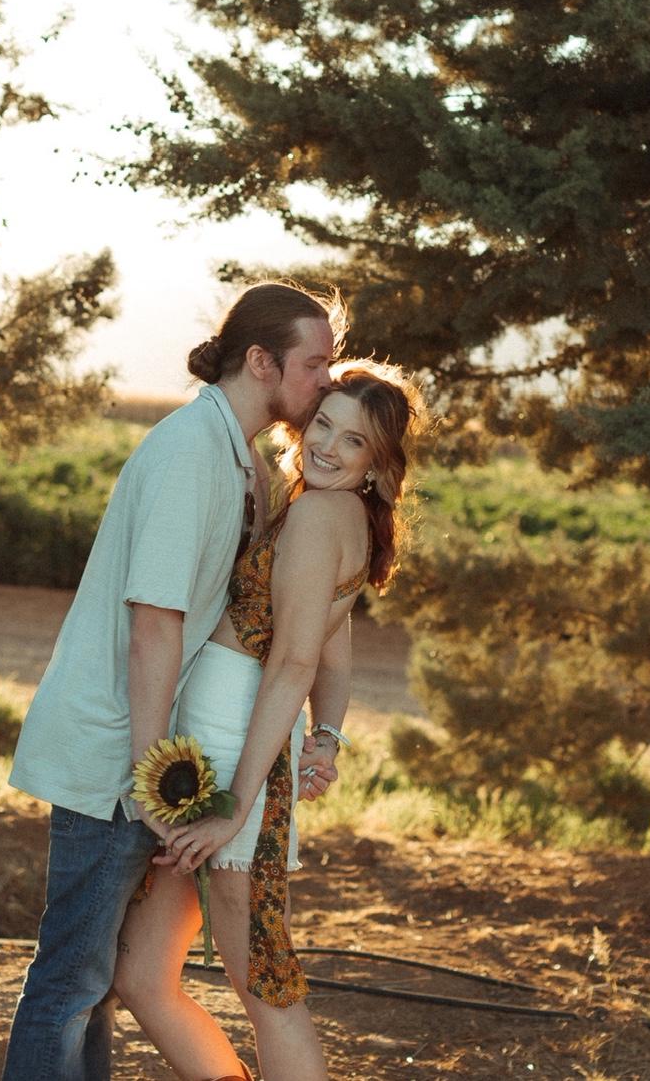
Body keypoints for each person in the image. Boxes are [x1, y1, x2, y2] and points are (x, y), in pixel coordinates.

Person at [1, 281, 348, 1081]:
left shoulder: (242, 459)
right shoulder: (192, 453)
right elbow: (153, 622)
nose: (326, 381)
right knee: (71, 980)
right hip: (117, 756)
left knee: (96, 982)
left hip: (151, 752)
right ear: (260, 361)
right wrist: (153, 777)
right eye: (314, 364)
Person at [113, 362, 422, 1081]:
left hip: (237, 769)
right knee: (142, 974)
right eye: (324, 426)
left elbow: (294, 663)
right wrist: (328, 736)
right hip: (213, 761)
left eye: (353, 441)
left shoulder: (318, 516)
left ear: (378, 465)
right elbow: (335, 651)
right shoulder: (327, 510)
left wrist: (234, 808)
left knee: (265, 983)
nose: (327, 447)